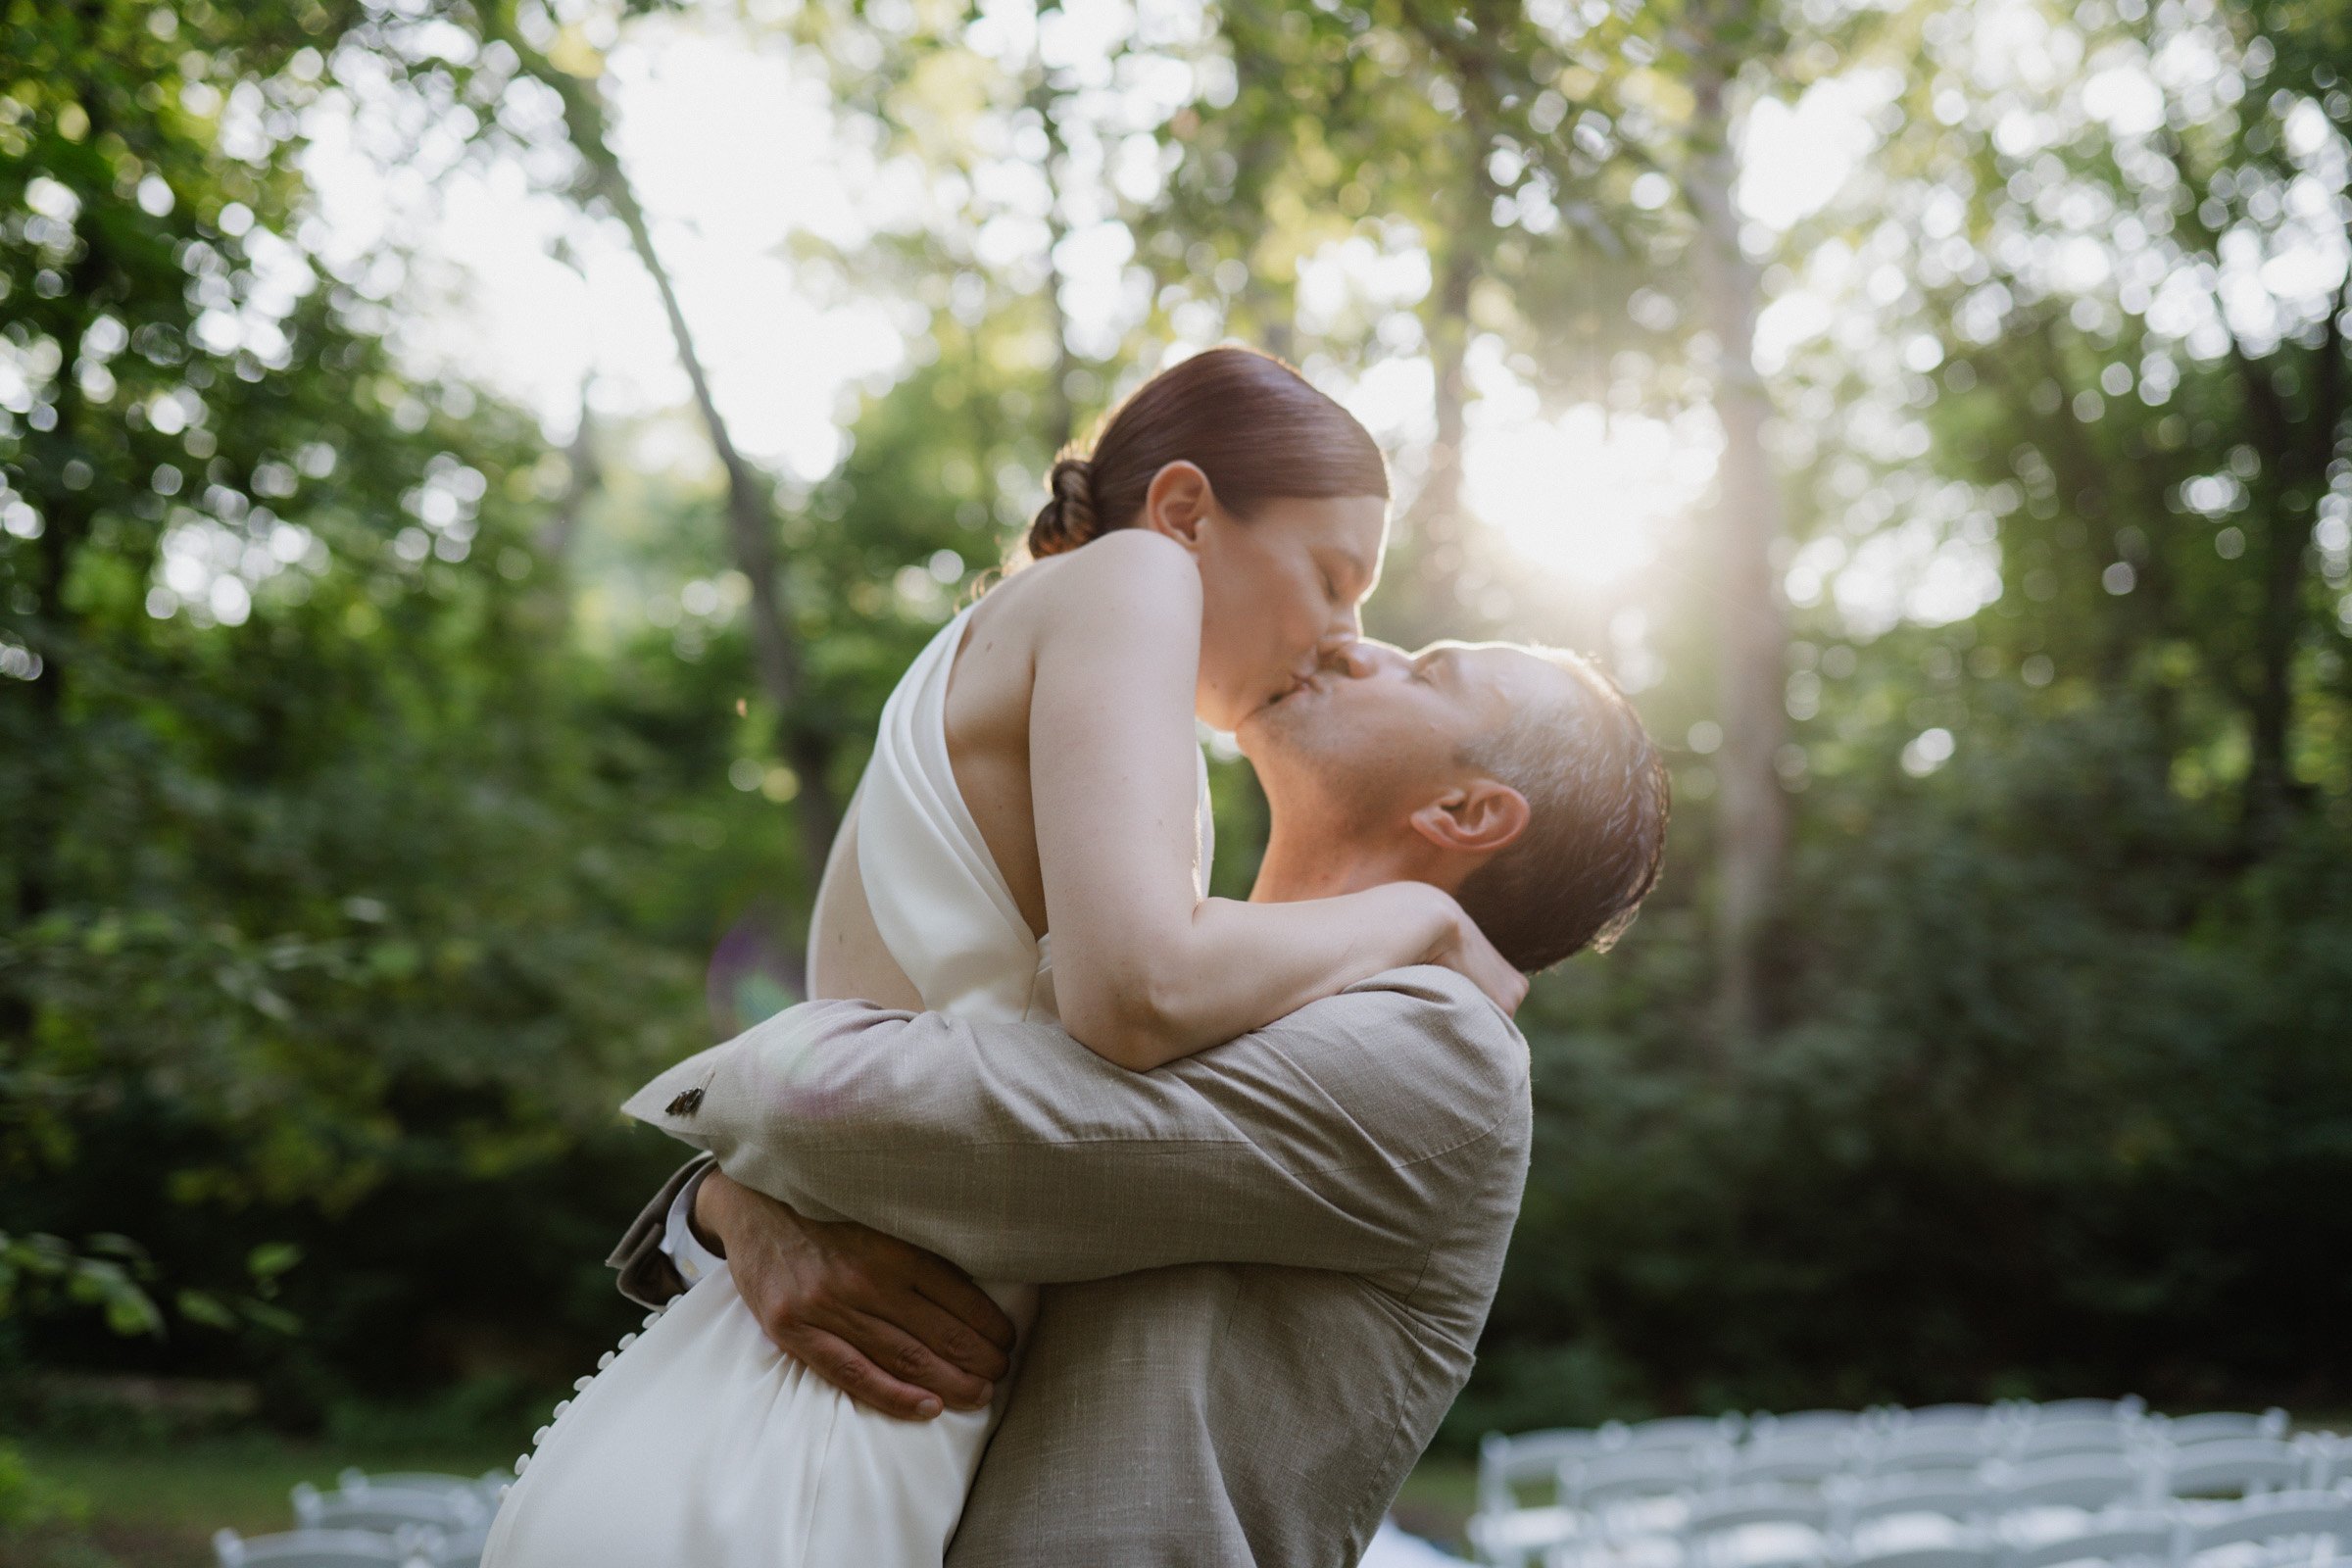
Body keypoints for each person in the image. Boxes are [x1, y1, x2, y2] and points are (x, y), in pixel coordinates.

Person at [483, 348, 1525, 1568]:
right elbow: (1137, 994)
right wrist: (1428, 923)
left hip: (769, 1409)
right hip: (826, 1448)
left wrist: (730, 1200)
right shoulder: (1134, 576)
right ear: (1186, 512)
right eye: (1333, 576)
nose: (1346, 635)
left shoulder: (1032, 662)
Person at [609, 629, 1670, 1567]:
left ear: (1466, 809)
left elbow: (851, 1111)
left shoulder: (1439, 1057)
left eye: (1430, 672)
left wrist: (744, 1153)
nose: (1356, 643)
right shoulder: (1149, 969)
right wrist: (730, 1212)